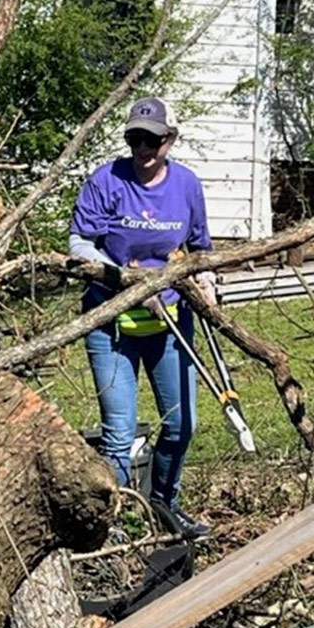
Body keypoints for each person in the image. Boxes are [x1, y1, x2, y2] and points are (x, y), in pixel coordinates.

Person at [69, 97, 218, 540]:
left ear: (170, 140)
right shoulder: (107, 181)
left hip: (170, 323)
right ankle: (112, 526)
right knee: (118, 434)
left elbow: (200, 247)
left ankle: (164, 507)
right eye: (135, 138)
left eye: (152, 139)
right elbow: (80, 245)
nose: (143, 147)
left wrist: (207, 283)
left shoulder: (187, 185)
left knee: (181, 424)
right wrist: (128, 284)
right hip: (111, 322)